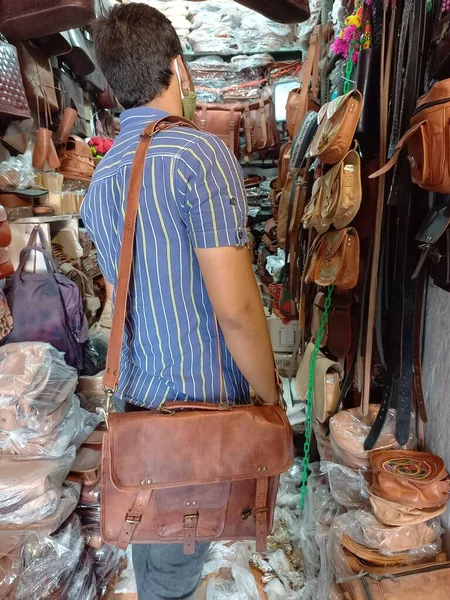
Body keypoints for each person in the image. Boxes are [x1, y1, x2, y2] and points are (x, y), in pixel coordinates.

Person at [82, 4, 279, 599]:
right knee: (176, 565)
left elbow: (119, 300)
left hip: (143, 408)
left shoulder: (102, 176)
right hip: (201, 414)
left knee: (162, 546)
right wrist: (269, 398)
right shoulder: (201, 155)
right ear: (179, 67)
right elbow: (237, 309)